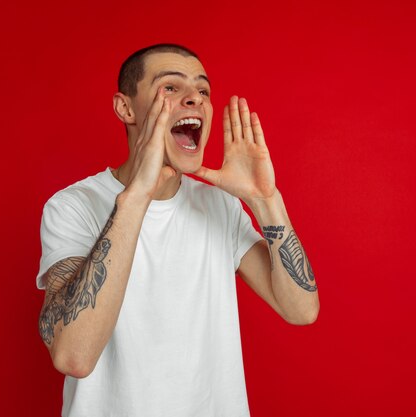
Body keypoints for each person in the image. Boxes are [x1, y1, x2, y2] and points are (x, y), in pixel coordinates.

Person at [36, 43, 320, 417]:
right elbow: (73, 355)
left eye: (202, 90)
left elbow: (301, 310)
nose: (195, 99)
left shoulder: (219, 205)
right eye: (170, 87)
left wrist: (264, 199)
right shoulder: (73, 206)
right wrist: (138, 195)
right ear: (125, 108)